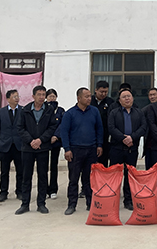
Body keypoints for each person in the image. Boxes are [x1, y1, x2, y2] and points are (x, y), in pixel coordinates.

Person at [15, 85, 58, 215]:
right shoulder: (25, 110)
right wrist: (31, 141)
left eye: (43, 95)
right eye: (39, 94)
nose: (41, 97)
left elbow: (52, 127)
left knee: (43, 176)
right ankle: (25, 204)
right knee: (26, 176)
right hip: (28, 148)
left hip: (43, 147)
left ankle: (41, 204)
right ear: (33, 96)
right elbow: (20, 128)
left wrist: (41, 140)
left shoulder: (49, 110)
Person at [61, 87, 103, 215]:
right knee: (73, 179)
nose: (89, 98)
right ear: (79, 98)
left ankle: (91, 204)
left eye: (90, 96)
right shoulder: (70, 114)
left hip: (91, 150)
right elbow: (64, 132)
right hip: (75, 150)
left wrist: (99, 145)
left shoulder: (94, 111)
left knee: (89, 179)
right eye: (86, 96)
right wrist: (67, 149)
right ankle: (71, 204)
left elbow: (99, 129)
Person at [108, 88, 147, 211]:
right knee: (115, 176)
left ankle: (128, 200)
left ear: (132, 98)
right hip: (117, 148)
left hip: (132, 148)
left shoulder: (138, 112)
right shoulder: (114, 113)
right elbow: (111, 128)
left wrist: (132, 137)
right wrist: (123, 138)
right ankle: (112, 200)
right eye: (124, 97)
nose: (127, 99)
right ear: (119, 100)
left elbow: (143, 127)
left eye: (129, 96)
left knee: (130, 175)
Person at [0, 89, 22, 203]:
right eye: (14, 97)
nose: (17, 98)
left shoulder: (23, 111)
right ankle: (3, 192)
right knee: (4, 172)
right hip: (5, 145)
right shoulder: (1, 112)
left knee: (20, 171)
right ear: (8, 99)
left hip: (19, 145)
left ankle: (20, 191)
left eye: (18, 96)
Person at [45, 88, 65, 200]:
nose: (52, 98)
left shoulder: (60, 110)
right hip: (44, 141)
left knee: (54, 166)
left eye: (53, 96)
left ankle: (53, 189)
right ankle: (44, 189)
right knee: (43, 167)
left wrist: (56, 136)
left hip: (55, 142)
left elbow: (62, 124)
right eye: (50, 96)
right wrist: (47, 137)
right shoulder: (43, 109)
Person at [90, 80, 114, 168]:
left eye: (105, 92)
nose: (103, 94)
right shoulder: (89, 101)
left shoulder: (110, 102)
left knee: (103, 162)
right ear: (96, 90)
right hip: (91, 136)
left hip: (104, 136)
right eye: (101, 92)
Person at [142, 87, 157, 170]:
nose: (152, 97)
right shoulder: (145, 110)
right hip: (149, 143)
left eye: (154, 95)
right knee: (149, 169)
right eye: (150, 95)